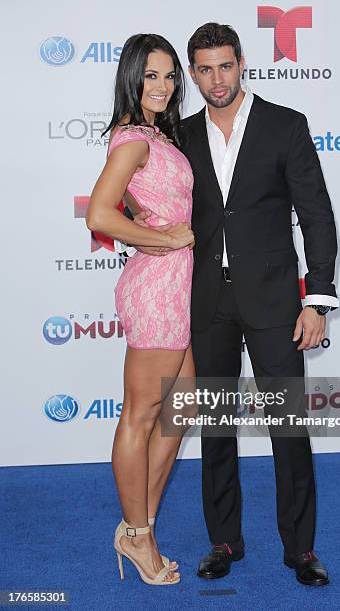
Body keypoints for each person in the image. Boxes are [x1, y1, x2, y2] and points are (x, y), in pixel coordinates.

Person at [120, 23, 339, 586]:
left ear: (242, 63)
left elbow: (316, 215)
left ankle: (301, 550)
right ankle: (224, 541)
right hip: (205, 300)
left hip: (273, 301)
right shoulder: (179, 135)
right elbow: (136, 183)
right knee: (215, 425)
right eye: (204, 69)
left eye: (226, 66)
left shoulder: (285, 125)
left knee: (288, 426)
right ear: (193, 73)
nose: (216, 79)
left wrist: (315, 298)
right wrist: (138, 214)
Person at [86, 33, 195, 586]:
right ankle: (137, 534)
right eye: (151, 75)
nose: (163, 85)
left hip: (179, 288)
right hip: (157, 288)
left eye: (170, 75)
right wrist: (165, 239)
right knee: (142, 415)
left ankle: (140, 524)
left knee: (184, 408)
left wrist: (164, 238)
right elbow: (101, 216)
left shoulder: (157, 134)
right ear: (131, 76)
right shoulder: (131, 139)